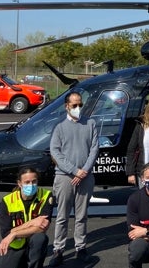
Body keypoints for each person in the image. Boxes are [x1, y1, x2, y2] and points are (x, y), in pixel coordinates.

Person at [49, 92, 99, 266]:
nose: (78, 108)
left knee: (81, 215)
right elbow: (55, 152)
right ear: (67, 106)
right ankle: (59, 249)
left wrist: (83, 171)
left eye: (80, 105)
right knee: (62, 216)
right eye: (74, 105)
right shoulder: (59, 126)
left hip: (85, 177)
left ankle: (80, 248)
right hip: (64, 177)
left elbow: (94, 149)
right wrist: (74, 171)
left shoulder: (90, 123)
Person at [0, 167, 54, 268]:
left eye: (34, 181)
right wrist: (32, 222)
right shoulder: (7, 201)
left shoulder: (46, 196)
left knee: (40, 238)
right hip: (15, 245)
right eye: (27, 182)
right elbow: (6, 233)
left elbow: (42, 227)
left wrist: (14, 233)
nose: (31, 185)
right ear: (19, 183)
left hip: (32, 242)